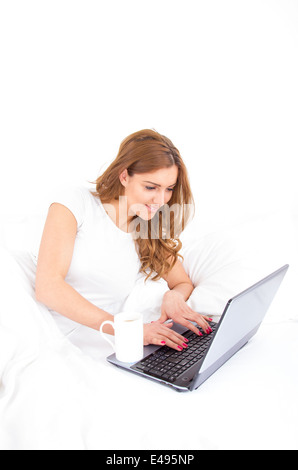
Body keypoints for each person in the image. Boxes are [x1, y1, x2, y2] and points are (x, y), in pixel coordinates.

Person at [35, 129, 212, 351]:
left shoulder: (149, 225)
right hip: (63, 337)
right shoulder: (76, 203)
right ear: (124, 175)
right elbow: (47, 287)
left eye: (169, 189)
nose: (161, 200)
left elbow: (182, 283)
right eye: (150, 187)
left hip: (115, 341)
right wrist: (128, 330)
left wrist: (173, 297)